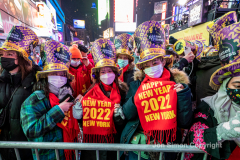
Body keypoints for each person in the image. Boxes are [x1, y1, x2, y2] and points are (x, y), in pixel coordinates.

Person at [120, 21, 192, 160]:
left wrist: (182, 95)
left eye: (155, 63)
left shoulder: (177, 84)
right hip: (138, 146)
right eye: (147, 65)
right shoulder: (136, 84)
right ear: (142, 67)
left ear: (163, 62)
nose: (151, 67)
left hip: (166, 148)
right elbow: (127, 115)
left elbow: (185, 122)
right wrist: (136, 99)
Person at [185, 20, 240, 160]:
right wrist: (224, 131)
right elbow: (194, 138)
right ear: (225, 86)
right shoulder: (209, 107)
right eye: (238, 86)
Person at [20, 40, 79, 160]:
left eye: (62, 74)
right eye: (54, 74)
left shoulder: (67, 96)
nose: (59, 78)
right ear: (46, 76)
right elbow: (31, 130)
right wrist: (58, 110)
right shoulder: (34, 100)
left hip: (68, 155)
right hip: (47, 156)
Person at [73, 38, 128, 160]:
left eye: (109, 71)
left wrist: (119, 115)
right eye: (103, 71)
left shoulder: (123, 92)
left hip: (114, 145)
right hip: (94, 148)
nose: (107, 74)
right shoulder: (89, 93)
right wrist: (79, 115)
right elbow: (85, 122)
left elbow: (124, 124)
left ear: (115, 73)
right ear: (98, 75)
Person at [0, 26, 40, 160]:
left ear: (22, 57)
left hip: (30, 150)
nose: (4, 57)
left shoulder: (37, 81)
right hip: (6, 149)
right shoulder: (1, 80)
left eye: (10, 54)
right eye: (3, 54)